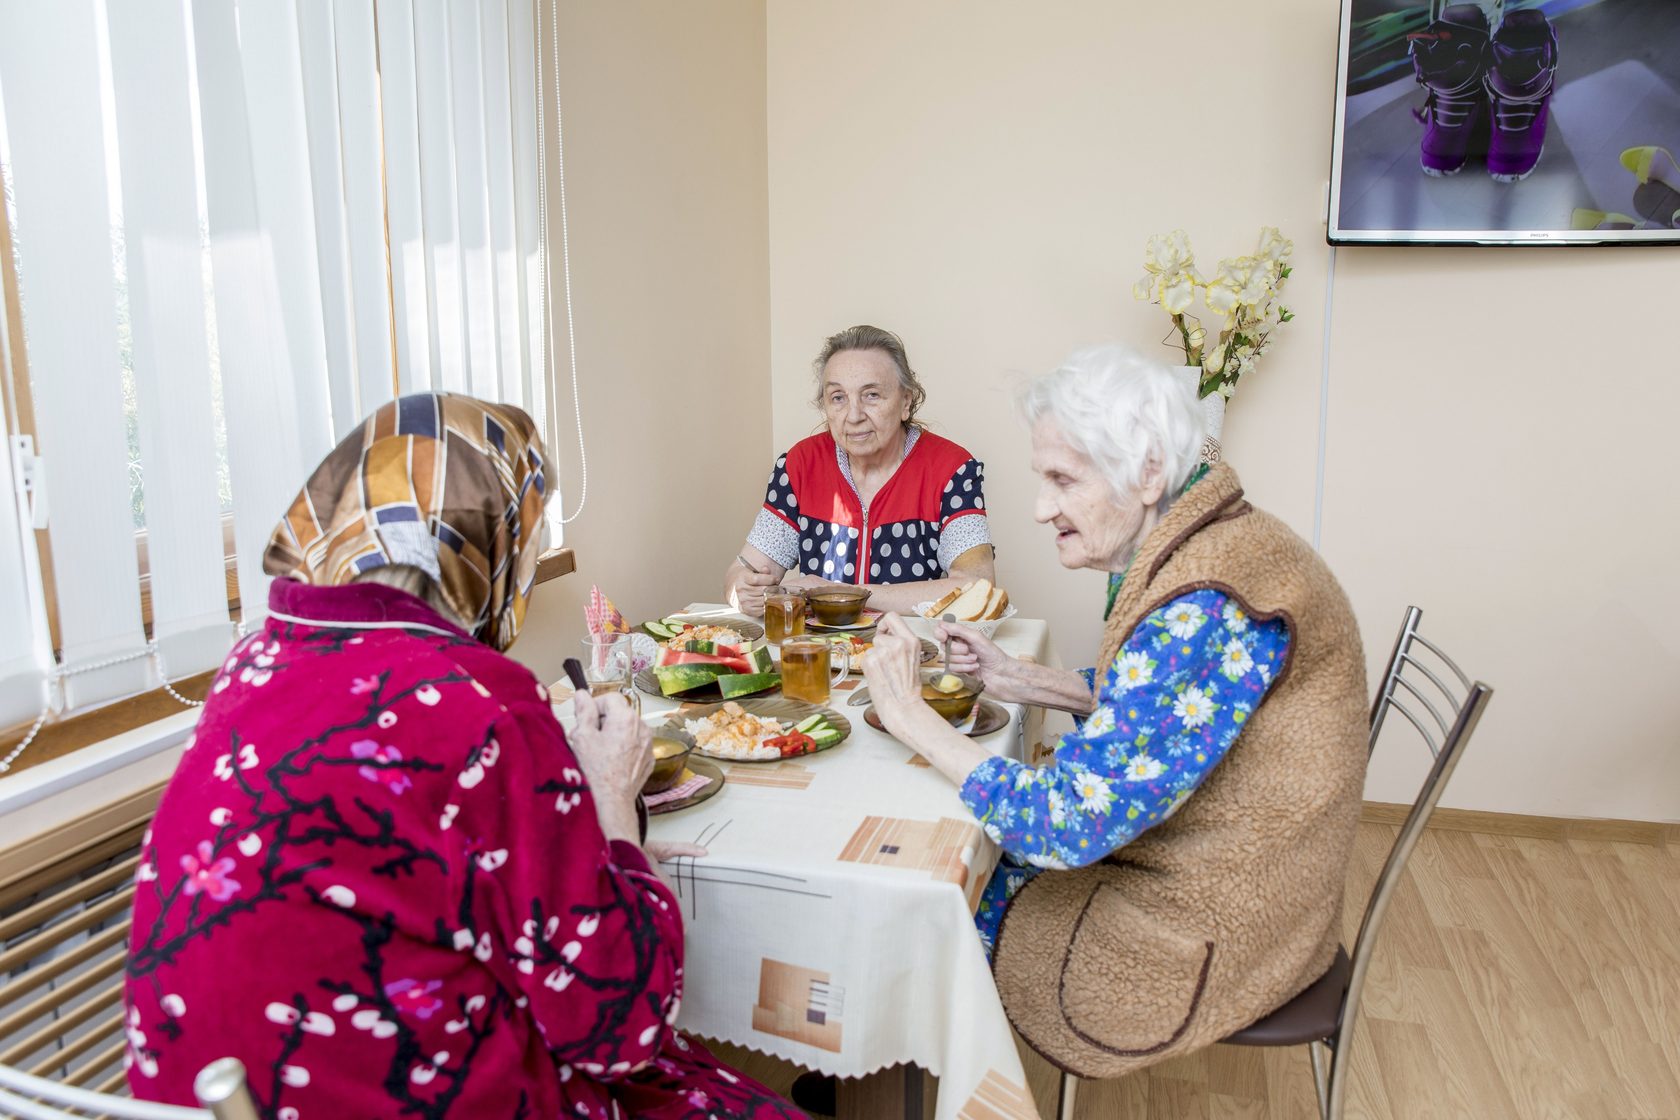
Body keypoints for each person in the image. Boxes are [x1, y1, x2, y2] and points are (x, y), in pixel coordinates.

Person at [124, 392, 802, 1119]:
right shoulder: (484, 703)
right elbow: (622, 1025)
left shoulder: (256, 661)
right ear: (489, 543)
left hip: (212, 1094)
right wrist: (611, 806)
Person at [862, 346, 1369, 1079]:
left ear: (1150, 472)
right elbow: (1162, 700)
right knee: (952, 846)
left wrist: (911, 716)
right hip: (1260, 885)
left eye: (1062, 479)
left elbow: (1064, 826)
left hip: (1214, 926)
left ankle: (897, 1077)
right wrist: (1021, 677)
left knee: (930, 891)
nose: (1040, 508)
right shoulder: (1222, 539)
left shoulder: (1209, 602)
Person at [725, 325, 994, 617]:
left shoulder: (952, 469)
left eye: (872, 395)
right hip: (817, 654)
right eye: (838, 397)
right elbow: (744, 570)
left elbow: (976, 587)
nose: (853, 416)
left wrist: (840, 594)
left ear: (906, 401)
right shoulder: (798, 467)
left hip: (910, 652)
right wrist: (741, 588)